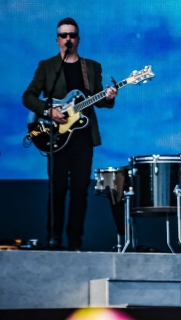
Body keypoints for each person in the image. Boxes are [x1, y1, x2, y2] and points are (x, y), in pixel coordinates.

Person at [22, 18, 117, 250]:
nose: (68, 39)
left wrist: (110, 97)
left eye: (72, 35)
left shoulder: (91, 68)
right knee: (56, 190)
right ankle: (53, 238)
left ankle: (75, 242)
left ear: (78, 39)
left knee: (79, 192)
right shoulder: (47, 66)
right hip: (55, 138)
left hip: (83, 138)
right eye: (64, 35)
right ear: (57, 40)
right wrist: (49, 110)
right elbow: (29, 97)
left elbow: (99, 100)